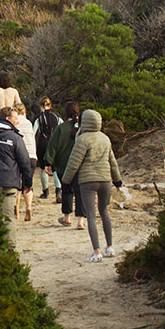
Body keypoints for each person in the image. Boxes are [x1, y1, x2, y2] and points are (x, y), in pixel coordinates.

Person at [61, 109, 123, 262]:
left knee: (91, 216)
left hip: (87, 181)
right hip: (105, 180)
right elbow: (113, 162)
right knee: (104, 212)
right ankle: (110, 247)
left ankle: (96, 252)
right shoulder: (105, 138)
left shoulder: (82, 139)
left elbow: (73, 163)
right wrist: (117, 181)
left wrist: (65, 181)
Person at [46, 101, 86, 227]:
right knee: (80, 192)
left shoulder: (61, 128)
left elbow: (53, 146)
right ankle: (80, 221)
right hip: (80, 166)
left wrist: (48, 162)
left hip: (63, 165)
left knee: (66, 191)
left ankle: (67, 217)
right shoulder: (82, 128)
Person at [33, 98, 61, 200]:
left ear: (40, 106)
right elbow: (61, 128)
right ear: (50, 105)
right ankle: (58, 191)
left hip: (42, 143)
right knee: (55, 168)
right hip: (54, 143)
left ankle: (45, 192)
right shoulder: (56, 116)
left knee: (42, 168)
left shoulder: (39, 118)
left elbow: (33, 131)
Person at [14, 101, 37, 221]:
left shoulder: (15, 122)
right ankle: (28, 207)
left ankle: (17, 211)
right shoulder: (29, 123)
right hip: (32, 155)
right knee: (28, 185)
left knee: (17, 185)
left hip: (19, 156)